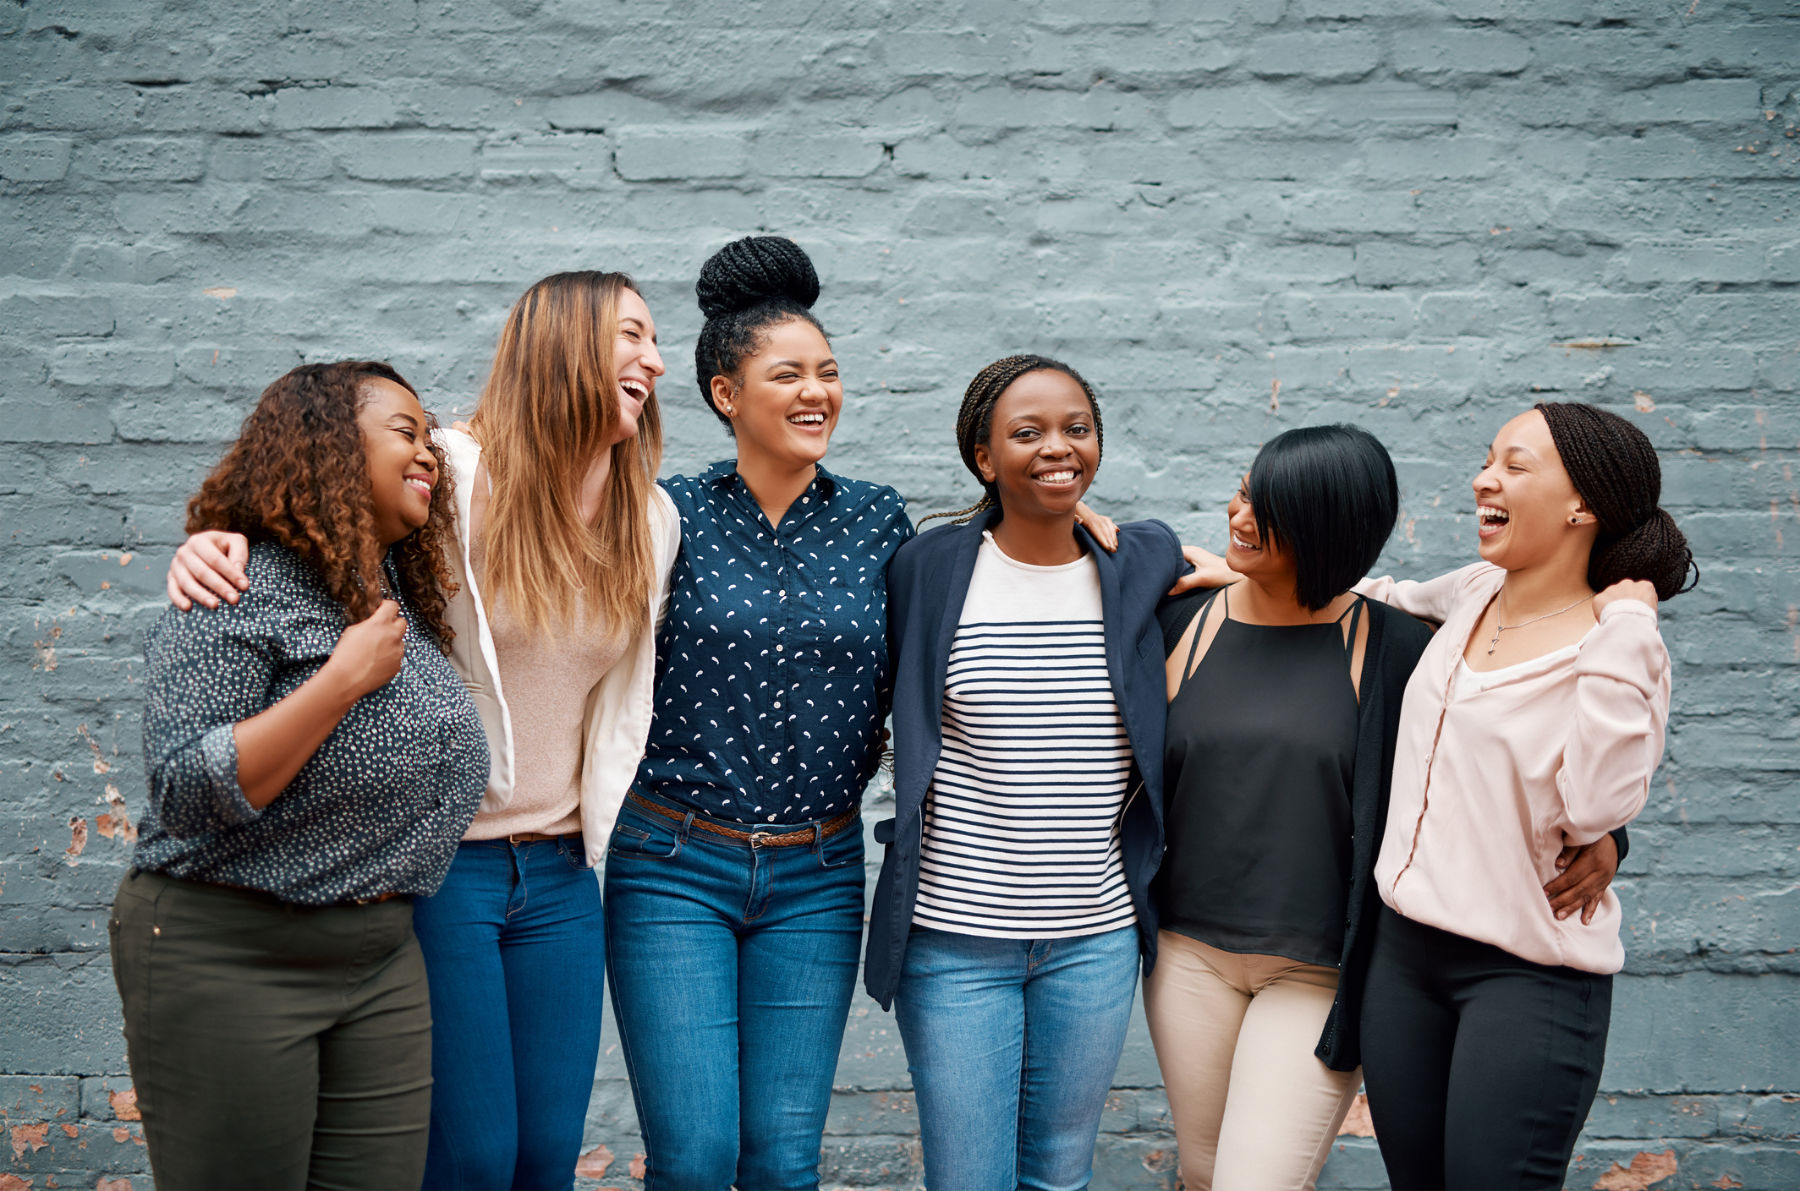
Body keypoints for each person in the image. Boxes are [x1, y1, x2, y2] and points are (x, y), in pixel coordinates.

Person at [164, 273, 681, 1191]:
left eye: (654, 340)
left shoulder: (652, 518)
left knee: (543, 1159)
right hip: (449, 865)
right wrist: (213, 536)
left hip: (562, 871)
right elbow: (311, 491)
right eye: (632, 335)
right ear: (561, 343)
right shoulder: (453, 467)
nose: (654, 358)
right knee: (470, 1159)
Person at [113, 361, 490, 1190]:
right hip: (232, 949)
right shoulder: (238, 579)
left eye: (431, 435)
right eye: (405, 430)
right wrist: (340, 681)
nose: (428, 449)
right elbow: (183, 789)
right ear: (328, 445)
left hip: (380, 957)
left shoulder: (394, 594)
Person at [601, 235, 916, 1191]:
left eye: (829, 371)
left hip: (817, 874)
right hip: (671, 864)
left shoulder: (879, 519)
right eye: (789, 374)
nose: (817, 391)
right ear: (726, 394)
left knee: (782, 1164)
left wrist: (1136, 548)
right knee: (696, 1160)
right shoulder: (664, 512)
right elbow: (521, 519)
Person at [864, 354, 1188, 1191]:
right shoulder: (926, 570)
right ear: (983, 456)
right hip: (956, 940)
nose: (1059, 447)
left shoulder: (1138, 562)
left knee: (1059, 1176)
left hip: (1094, 940)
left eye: (1077, 428)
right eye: (1029, 431)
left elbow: (1248, 577)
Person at [1352, 401, 1693, 1189]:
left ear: (1583, 505)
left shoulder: (1619, 650)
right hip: (1402, 959)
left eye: (1514, 464)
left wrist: (1631, 625)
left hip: (1526, 978)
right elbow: (1375, 600)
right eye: (1487, 458)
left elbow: (1598, 809)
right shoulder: (1474, 592)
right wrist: (1233, 569)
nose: (1483, 479)